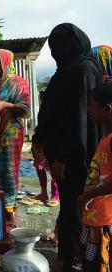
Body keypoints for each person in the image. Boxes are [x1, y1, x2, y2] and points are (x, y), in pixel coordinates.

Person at [37, 23, 103, 271]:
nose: (54, 53)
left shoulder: (81, 70)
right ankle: (70, 255)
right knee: (70, 207)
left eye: (58, 47)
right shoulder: (71, 68)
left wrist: (63, 158)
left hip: (75, 158)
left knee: (75, 209)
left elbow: (78, 120)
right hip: (68, 155)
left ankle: (75, 259)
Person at [0, 49, 30, 226]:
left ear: (6, 64)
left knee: (9, 171)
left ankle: (10, 211)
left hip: (11, 133)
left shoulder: (19, 83)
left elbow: (26, 110)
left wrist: (6, 105)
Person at [77, 83, 112, 271]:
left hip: (105, 220)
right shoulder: (105, 137)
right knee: (91, 264)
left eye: (92, 104)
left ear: (107, 108)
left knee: (100, 265)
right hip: (95, 217)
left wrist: (88, 195)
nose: (88, 109)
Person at [31, 91, 59, 207]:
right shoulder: (43, 110)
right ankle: (43, 193)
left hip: (52, 142)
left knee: (53, 169)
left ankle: (55, 195)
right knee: (39, 167)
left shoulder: (57, 110)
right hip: (39, 143)